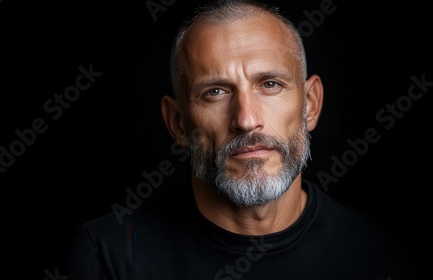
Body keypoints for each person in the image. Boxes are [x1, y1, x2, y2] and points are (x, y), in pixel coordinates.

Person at [66, 0, 412, 279]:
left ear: (310, 104)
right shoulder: (105, 257)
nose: (246, 120)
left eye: (270, 85)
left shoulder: (383, 255)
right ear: (177, 123)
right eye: (215, 92)